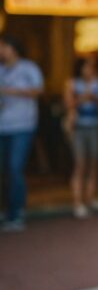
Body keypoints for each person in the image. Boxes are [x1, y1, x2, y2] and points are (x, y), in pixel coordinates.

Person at [0, 36, 44, 232]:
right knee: (4, 170)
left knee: (15, 168)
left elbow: (38, 90)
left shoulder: (29, 68)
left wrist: (10, 91)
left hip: (23, 125)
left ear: (13, 48)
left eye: (3, 46)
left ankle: (16, 212)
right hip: (3, 125)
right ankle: (8, 209)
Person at [64, 56, 98, 218]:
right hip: (78, 128)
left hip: (94, 126)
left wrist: (95, 98)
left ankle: (90, 199)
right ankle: (77, 202)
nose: (90, 70)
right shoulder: (72, 83)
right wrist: (82, 97)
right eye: (87, 67)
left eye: (92, 67)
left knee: (94, 164)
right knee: (80, 164)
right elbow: (67, 105)